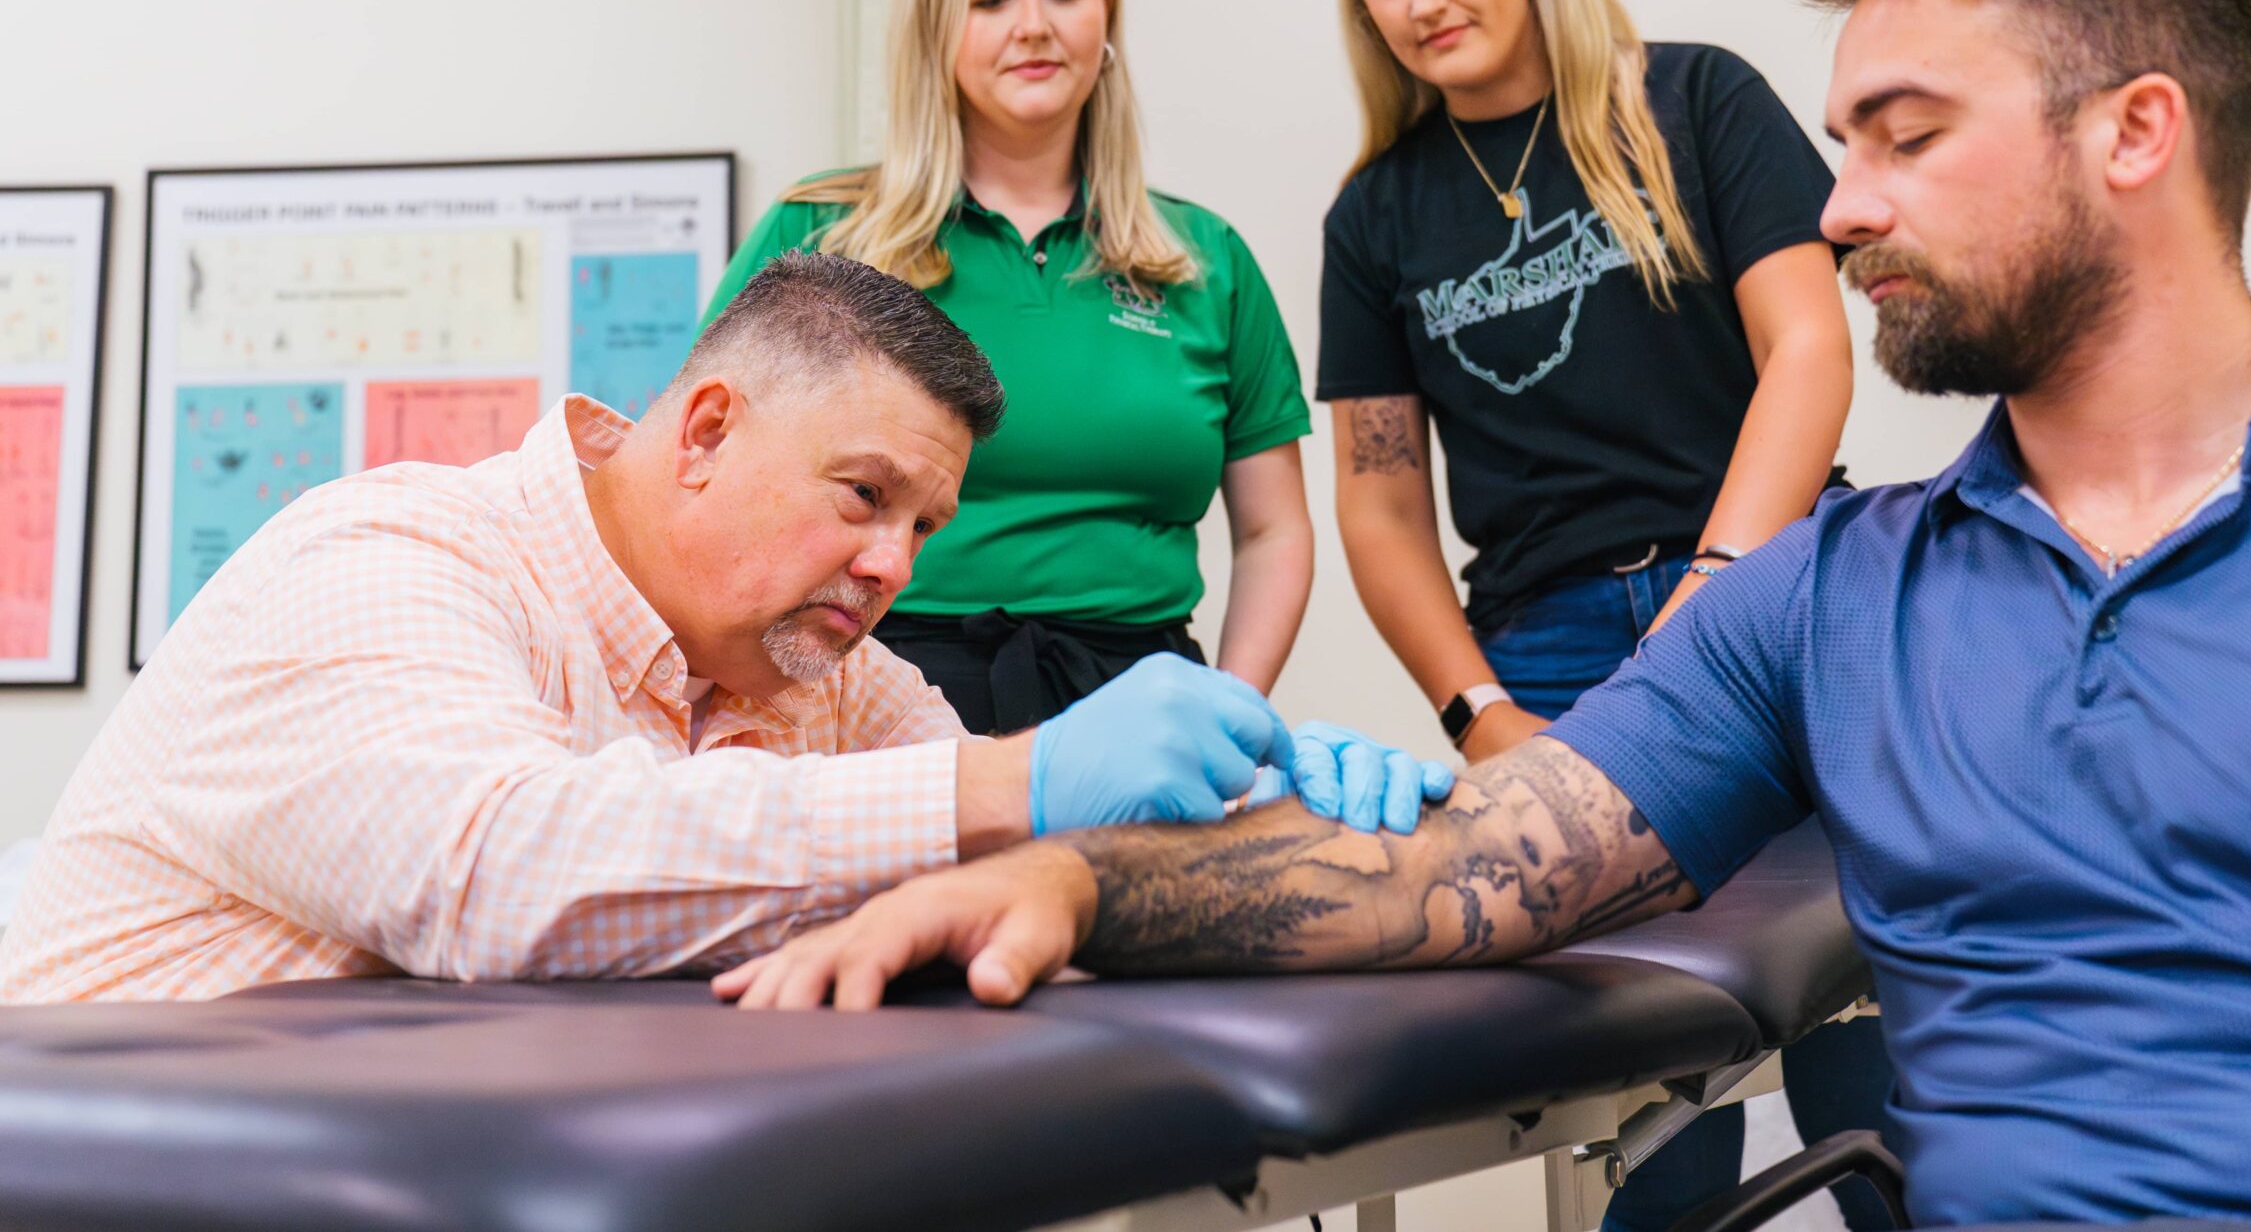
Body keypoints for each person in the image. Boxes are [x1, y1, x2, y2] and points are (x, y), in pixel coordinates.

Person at [717, 0, 2251, 1231]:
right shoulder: (1838, 598)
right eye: (1845, 142)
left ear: (2138, 134)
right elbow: (1463, 878)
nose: (1841, 207)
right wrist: (1082, 889)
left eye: (1907, 139)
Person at [0, 254, 1441, 1004]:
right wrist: (1027, 774)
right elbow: (501, 871)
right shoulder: (384, 555)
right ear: (704, 432)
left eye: (924, 527)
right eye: (864, 496)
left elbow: (1004, 854)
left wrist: (1268, 801)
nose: (892, 566)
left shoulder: (820, 664)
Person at [1316, 0, 1880, 1228]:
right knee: (1648, 1094)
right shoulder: (1376, 215)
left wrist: (1718, 585)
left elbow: (1808, 350)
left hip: (1785, 598)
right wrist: (1475, 709)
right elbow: (1381, 495)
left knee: (1871, 1036)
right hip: (1558, 654)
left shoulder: (1691, 100)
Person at [703, 0, 1314, 736]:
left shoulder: (1203, 259)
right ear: (935, 28)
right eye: (990, 0)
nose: (1033, 26)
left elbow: (1274, 532)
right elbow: (707, 467)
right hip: (868, 687)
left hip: (1144, 701)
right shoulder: (822, 231)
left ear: (1106, 14)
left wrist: (1231, 709)